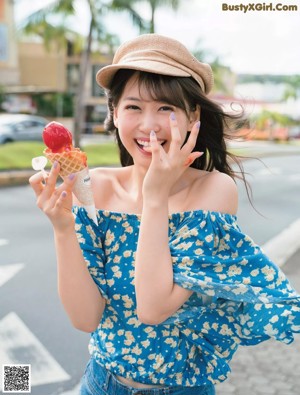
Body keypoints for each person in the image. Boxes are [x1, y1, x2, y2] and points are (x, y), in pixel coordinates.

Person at [29, 34, 300, 395]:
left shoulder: (213, 190)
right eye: (134, 107)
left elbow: (153, 308)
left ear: (193, 118)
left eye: (166, 108)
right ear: (114, 113)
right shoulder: (96, 189)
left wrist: (154, 197)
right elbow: (85, 318)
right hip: (100, 384)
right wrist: (63, 229)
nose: (149, 126)